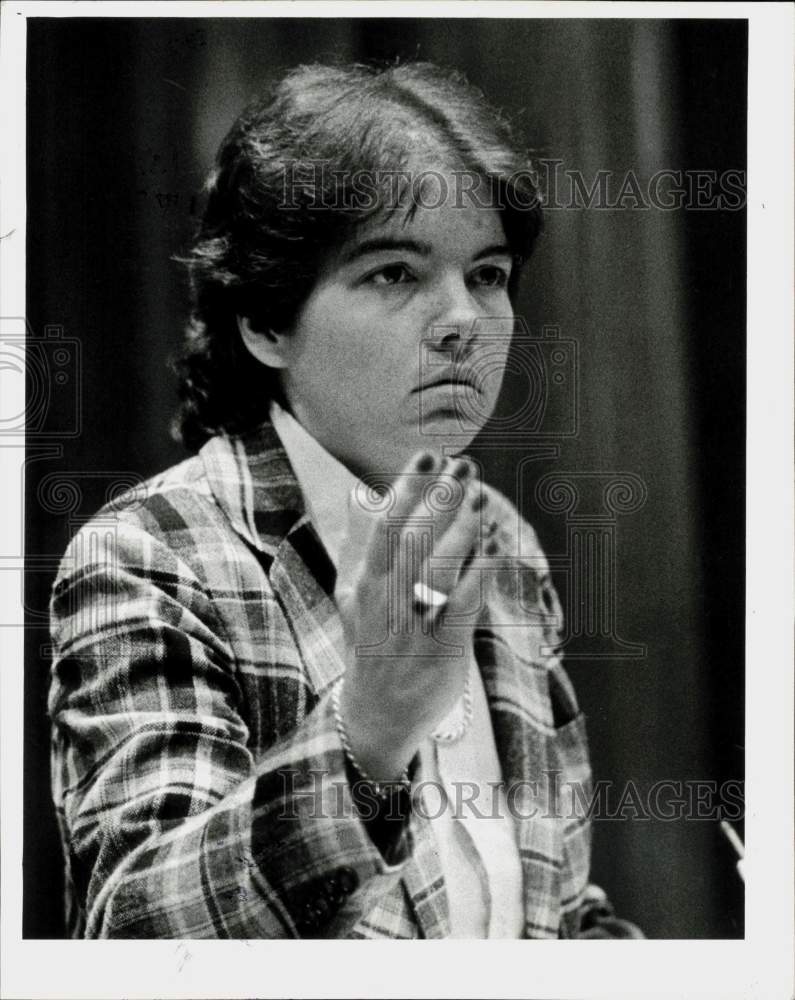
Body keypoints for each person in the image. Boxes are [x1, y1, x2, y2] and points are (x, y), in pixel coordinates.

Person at [48, 61, 642, 939]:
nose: (462, 322)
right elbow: (136, 931)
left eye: (486, 274)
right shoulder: (154, 553)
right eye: (394, 274)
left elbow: (545, 909)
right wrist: (366, 736)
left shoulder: (500, 546)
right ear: (264, 321)